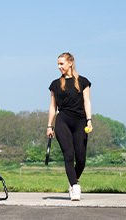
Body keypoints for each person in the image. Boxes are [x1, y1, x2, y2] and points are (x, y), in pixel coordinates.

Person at [47, 52, 92, 201]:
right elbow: (53, 107)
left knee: (80, 159)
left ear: (70, 62)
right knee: (68, 154)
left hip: (80, 122)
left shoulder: (83, 82)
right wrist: (49, 126)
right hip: (63, 121)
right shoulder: (55, 84)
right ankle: (75, 187)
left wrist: (89, 121)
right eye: (58, 64)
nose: (59, 67)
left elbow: (87, 102)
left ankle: (73, 181)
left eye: (62, 63)